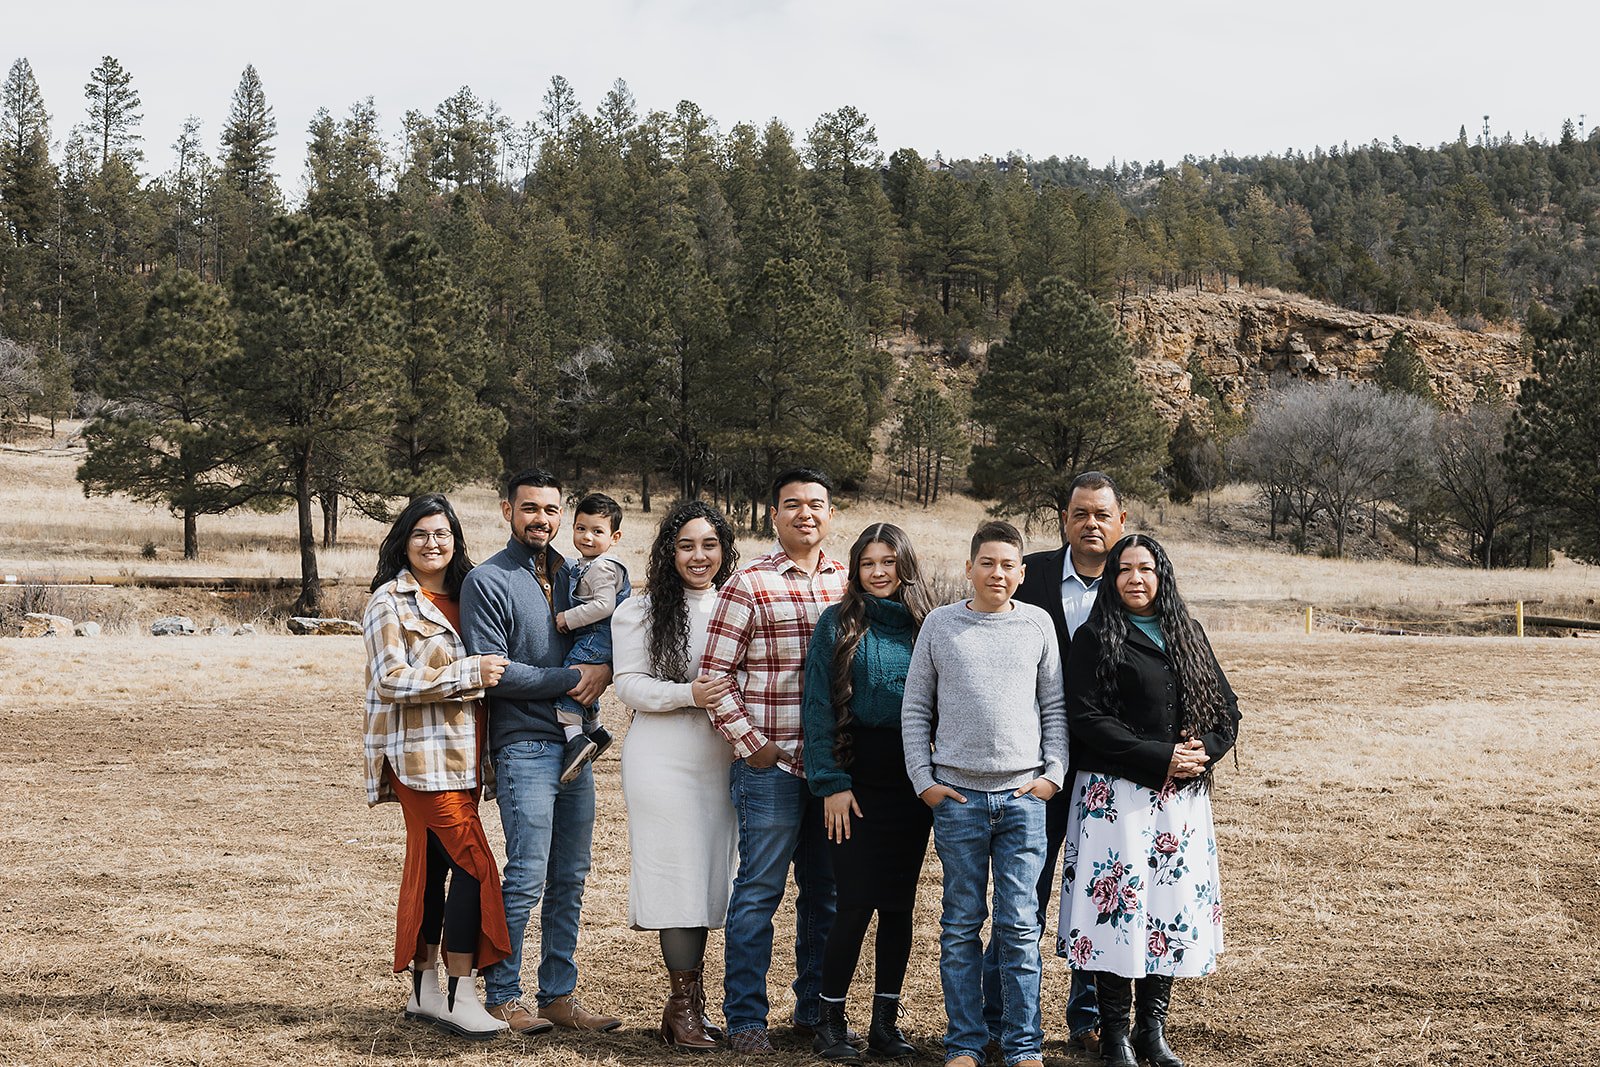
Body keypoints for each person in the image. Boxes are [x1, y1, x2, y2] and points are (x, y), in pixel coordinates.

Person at [1056, 534, 1241, 1067]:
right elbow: (1087, 720)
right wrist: (1160, 756)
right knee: (1118, 913)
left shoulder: (1188, 631)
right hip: (1116, 801)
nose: (1136, 579)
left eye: (1147, 568)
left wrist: (1200, 752)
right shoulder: (1095, 636)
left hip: (1179, 803)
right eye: (1125, 570)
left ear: (1163, 575)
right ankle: (1112, 1035)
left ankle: (1150, 1030)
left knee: (1164, 910)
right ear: (1112, 579)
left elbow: (1227, 711)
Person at [461, 469, 621, 1037]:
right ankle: (504, 995)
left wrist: (603, 669)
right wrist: (571, 676)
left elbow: (609, 632)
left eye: (552, 510)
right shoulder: (487, 580)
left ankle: (557, 995)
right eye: (531, 509)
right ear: (507, 510)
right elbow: (495, 673)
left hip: (577, 745)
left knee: (571, 876)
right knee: (527, 874)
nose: (542, 520)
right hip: (524, 743)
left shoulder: (576, 572)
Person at [901, 520, 1067, 1067]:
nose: (998, 573)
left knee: (1020, 926)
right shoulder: (940, 627)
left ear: (1022, 573)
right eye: (988, 563)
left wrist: (1051, 776)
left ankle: (1023, 1046)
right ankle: (966, 1044)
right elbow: (916, 710)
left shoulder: (1038, 625)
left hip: (1023, 798)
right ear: (970, 566)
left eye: (1008, 565)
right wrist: (925, 783)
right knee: (960, 925)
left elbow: (1054, 710)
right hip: (958, 801)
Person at [699, 467, 849, 1054]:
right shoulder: (749, 583)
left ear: (830, 514)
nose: (805, 514)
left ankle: (811, 1012)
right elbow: (716, 678)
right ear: (773, 514)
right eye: (792, 505)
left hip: (833, 773)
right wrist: (752, 745)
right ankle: (745, 1020)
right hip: (773, 768)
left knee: (826, 894)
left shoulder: (848, 582)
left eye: (816, 504)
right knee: (760, 891)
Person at [362, 493, 514, 1039]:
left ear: (456, 540)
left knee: (436, 864)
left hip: (468, 759)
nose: (433, 544)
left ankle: (424, 990)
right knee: (476, 866)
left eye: (443, 534)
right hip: (421, 760)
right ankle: (461, 992)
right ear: (404, 540)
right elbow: (390, 680)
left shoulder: (469, 593)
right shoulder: (390, 601)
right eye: (422, 534)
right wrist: (467, 672)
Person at [800, 523, 935, 1063]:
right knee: (853, 902)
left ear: (905, 564)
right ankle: (829, 1021)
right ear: (855, 570)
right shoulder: (838, 623)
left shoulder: (929, 625)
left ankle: (885, 1022)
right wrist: (830, 783)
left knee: (899, 906)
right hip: (852, 784)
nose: (878, 572)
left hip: (910, 784)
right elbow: (816, 706)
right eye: (867, 563)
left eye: (888, 561)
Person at [613, 500, 742, 1049]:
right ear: (669, 551)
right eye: (686, 545)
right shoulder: (638, 611)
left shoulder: (738, 605)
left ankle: (694, 1006)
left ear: (724, 550)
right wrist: (687, 694)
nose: (698, 555)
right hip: (662, 758)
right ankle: (681, 1006)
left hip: (722, 757)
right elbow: (628, 685)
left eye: (709, 545)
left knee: (715, 878)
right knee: (676, 879)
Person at [1008, 470, 1128, 1054]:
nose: (1091, 524)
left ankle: (1089, 1019)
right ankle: (1006, 1016)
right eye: (1081, 513)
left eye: (1102, 514)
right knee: (1022, 896)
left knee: (1098, 896)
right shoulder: (1026, 577)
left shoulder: (1136, 583)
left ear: (1121, 522)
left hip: (1110, 773)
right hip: (1035, 769)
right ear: (1064, 518)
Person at [552, 492, 631, 784]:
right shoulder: (588, 563)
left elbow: (604, 605)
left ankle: (575, 738)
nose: (587, 537)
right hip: (597, 635)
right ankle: (596, 730)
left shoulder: (602, 567)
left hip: (597, 634)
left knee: (573, 679)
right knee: (585, 685)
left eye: (598, 531)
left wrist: (567, 618)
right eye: (581, 528)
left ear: (615, 536)